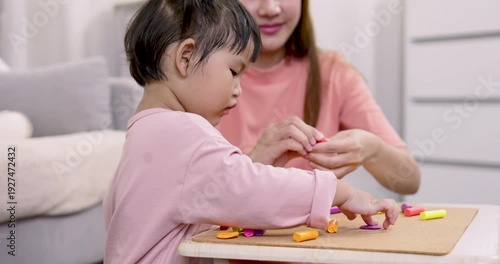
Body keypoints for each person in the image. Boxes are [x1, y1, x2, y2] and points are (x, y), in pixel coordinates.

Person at [103, 0, 398, 263]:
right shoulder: (184, 131)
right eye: (233, 72)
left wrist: (255, 161)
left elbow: (216, 194)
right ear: (186, 58)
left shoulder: (144, 131)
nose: (238, 91)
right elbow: (251, 189)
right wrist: (339, 192)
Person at [218, 0, 420, 194]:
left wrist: (371, 149)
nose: (271, 8)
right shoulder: (200, 73)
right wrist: (254, 164)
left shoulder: (334, 72)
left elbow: (410, 180)